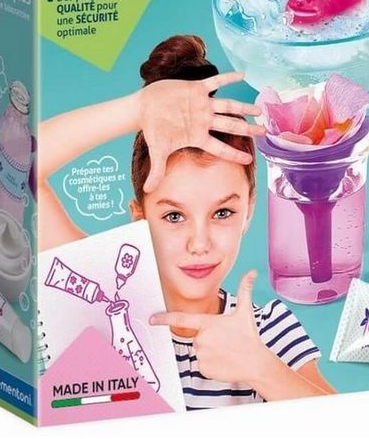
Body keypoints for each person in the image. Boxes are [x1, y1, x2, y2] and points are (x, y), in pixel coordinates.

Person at [38, 34, 335, 408]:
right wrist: (138, 110)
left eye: (222, 213)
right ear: (140, 219)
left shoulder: (265, 330)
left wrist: (261, 368)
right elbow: (14, 165)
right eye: (174, 216)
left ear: (248, 211)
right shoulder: (103, 302)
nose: (199, 243)